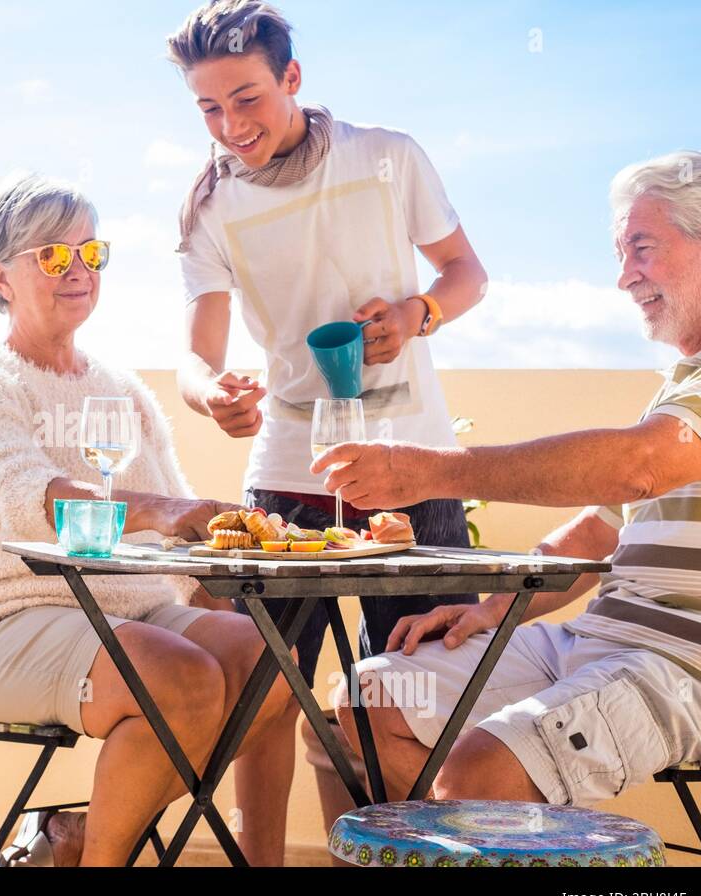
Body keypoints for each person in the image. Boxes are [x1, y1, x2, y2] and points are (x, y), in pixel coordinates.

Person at [318, 151, 701, 805]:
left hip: (700, 665)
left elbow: (638, 465)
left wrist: (433, 471)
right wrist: (491, 611)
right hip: (596, 638)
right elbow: (597, 530)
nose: (625, 276)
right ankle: (497, 845)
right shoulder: (689, 385)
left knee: (480, 771)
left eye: (642, 249)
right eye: (621, 255)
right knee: (372, 700)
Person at [163, 0, 487, 816]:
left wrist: (419, 314)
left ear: (293, 79)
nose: (230, 125)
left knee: (417, 693)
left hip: (414, 463)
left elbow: (465, 273)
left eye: (247, 99)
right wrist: (213, 398)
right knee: (267, 693)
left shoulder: (387, 157)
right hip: (288, 471)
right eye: (210, 107)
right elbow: (196, 356)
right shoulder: (209, 206)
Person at [0, 173, 299, 865]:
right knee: (181, 679)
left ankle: (90, 841)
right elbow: (34, 502)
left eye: (91, 254)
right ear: (0, 277)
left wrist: (232, 596)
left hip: (132, 609)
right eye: (54, 257)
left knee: (274, 665)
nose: (78, 272)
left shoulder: (121, 389)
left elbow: (179, 532)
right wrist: (165, 511)